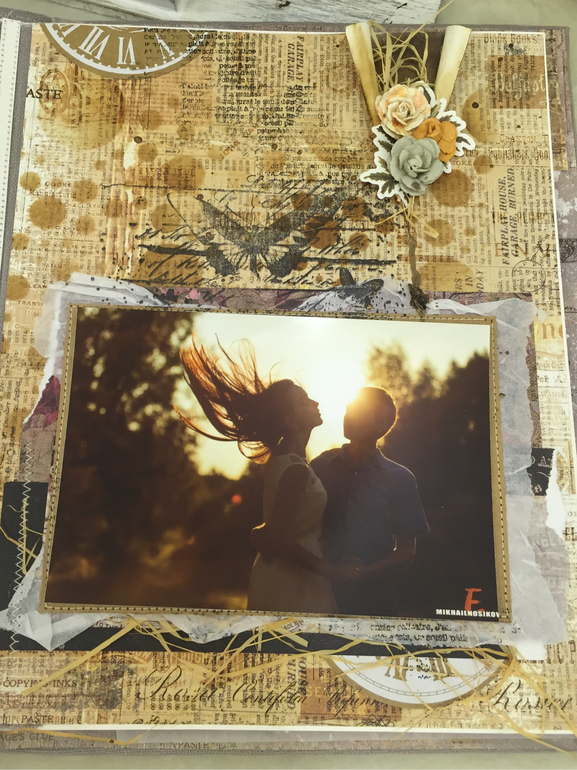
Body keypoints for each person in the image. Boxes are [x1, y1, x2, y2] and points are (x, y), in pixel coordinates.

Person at [177, 336, 345, 615]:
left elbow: (274, 528)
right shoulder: (295, 469)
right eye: (304, 401)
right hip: (295, 580)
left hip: (283, 575)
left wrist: (259, 533)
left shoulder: (283, 460)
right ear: (290, 419)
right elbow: (279, 540)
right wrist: (330, 570)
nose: (315, 402)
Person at [311, 386, 429, 617]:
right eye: (348, 409)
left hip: (374, 599)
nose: (348, 416)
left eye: (358, 410)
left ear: (381, 423)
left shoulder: (400, 478)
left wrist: (365, 572)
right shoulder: (321, 466)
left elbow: (407, 551)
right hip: (321, 592)